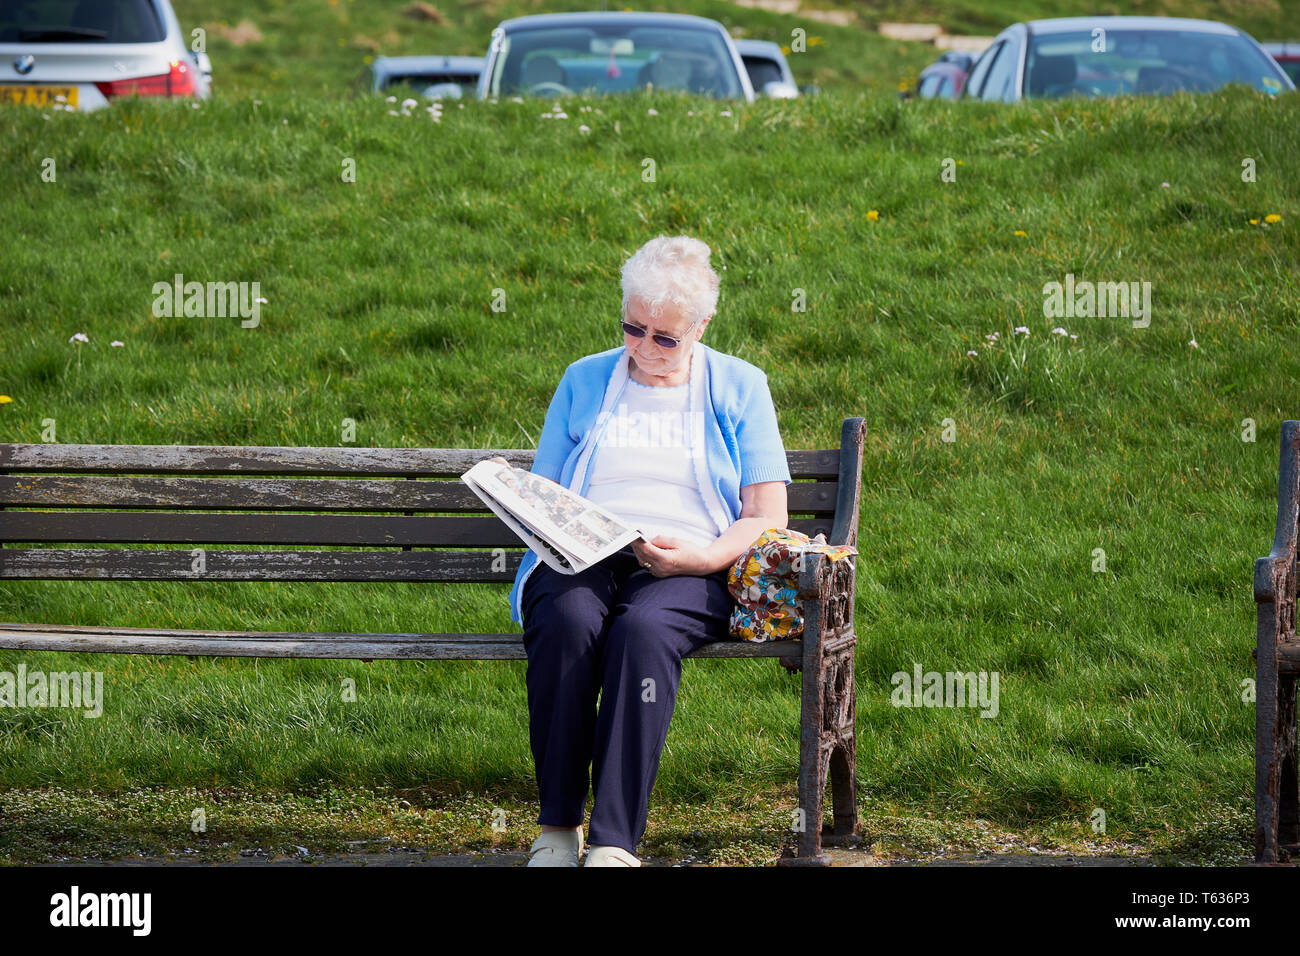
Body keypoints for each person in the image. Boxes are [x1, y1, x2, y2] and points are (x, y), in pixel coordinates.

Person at [491, 235, 791, 866]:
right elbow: (544, 490)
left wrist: (702, 559)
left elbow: (765, 516)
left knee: (645, 632)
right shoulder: (584, 378)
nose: (645, 348)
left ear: (702, 325)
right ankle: (556, 827)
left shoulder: (740, 386)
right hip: (583, 554)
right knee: (568, 621)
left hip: (691, 560)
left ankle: (613, 841)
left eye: (665, 338)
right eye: (634, 328)